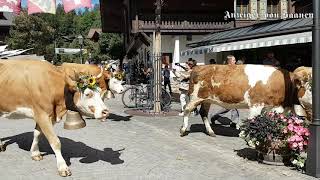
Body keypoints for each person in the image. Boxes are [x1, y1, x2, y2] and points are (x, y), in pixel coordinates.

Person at [211, 55, 239, 127]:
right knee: (231, 106)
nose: (235, 61)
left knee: (230, 107)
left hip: (234, 90)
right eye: (234, 60)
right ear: (229, 61)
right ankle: (234, 122)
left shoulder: (235, 68)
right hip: (227, 90)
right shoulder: (225, 69)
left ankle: (215, 117)